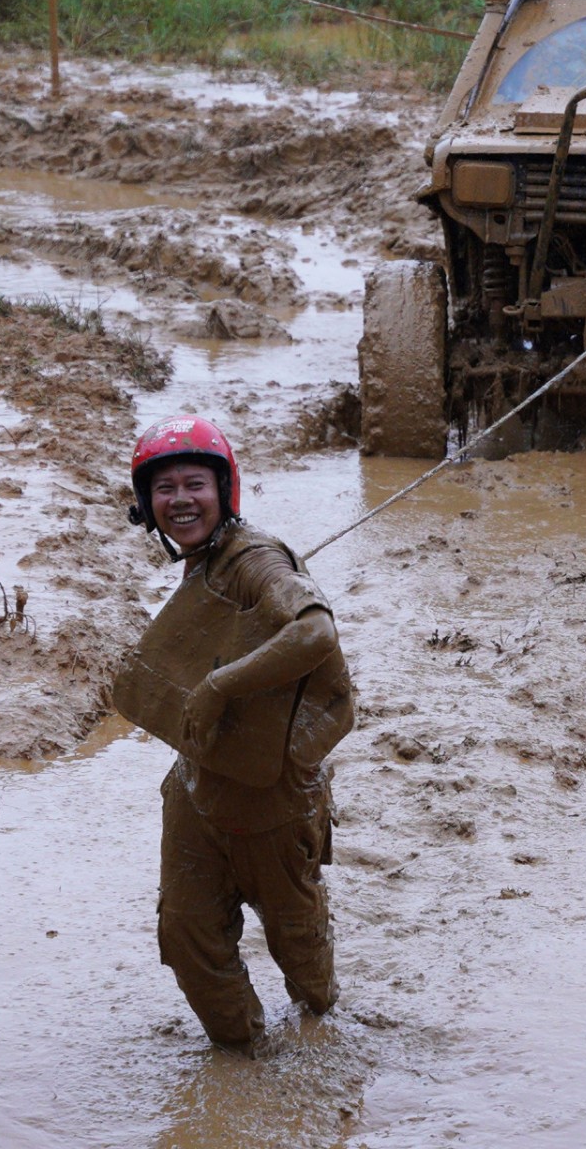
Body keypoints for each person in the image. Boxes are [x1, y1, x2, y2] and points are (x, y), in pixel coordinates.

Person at [109, 414, 356, 1057]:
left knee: (299, 951)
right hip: (198, 783)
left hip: (274, 799)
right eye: (164, 488)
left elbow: (315, 631)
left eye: (195, 484)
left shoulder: (254, 560)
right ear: (146, 504)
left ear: (224, 490)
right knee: (186, 935)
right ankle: (242, 1057)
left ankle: (322, 1043)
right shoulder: (206, 561)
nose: (180, 500)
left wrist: (219, 687)